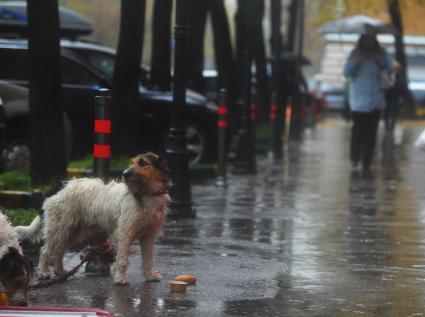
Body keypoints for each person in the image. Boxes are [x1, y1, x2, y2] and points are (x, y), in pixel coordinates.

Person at [343, 27, 395, 172]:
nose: (368, 41)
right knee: (357, 131)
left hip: (376, 100)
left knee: (372, 132)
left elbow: (390, 69)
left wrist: (381, 62)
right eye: (366, 38)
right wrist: (354, 63)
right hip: (358, 100)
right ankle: (355, 158)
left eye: (371, 38)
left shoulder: (380, 54)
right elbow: (346, 72)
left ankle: (367, 161)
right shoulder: (355, 54)